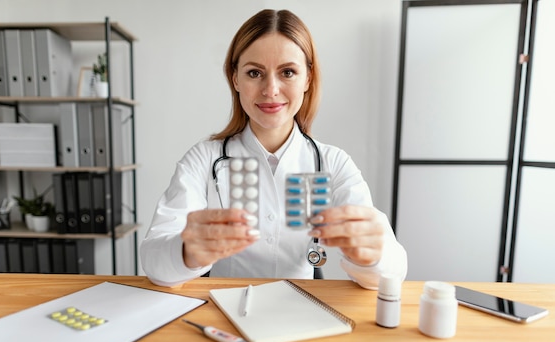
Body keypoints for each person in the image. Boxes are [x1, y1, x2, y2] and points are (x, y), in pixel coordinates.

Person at [140, 9, 407, 289]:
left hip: (302, 310)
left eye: (288, 72)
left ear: (307, 79)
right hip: (222, 310)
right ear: (235, 79)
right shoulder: (203, 159)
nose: (270, 89)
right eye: (254, 73)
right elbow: (154, 261)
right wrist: (186, 252)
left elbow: (392, 272)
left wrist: (372, 255)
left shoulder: (333, 163)